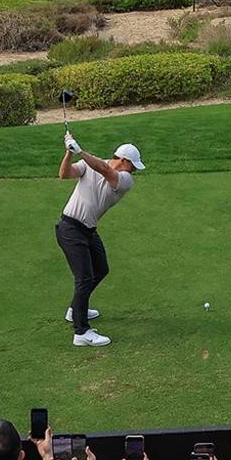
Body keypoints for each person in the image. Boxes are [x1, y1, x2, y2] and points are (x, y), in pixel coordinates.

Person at [56, 132, 143, 347]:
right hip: (70, 228)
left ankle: (76, 309)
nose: (134, 171)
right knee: (84, 278)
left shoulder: (125, 180)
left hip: (88, 230)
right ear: (123, 161)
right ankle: (81, 332)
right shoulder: (90, 165)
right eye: (133, 166)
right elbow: (64, 174)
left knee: (101, 268)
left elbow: (104, 170)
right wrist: (69, 153)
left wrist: (80, 151)